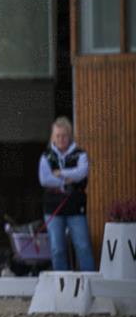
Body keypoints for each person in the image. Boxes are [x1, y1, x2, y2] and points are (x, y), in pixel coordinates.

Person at [38, 116, 95, 271]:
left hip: (76, 207)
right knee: (57, 250)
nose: (61, 139)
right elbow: (45, 179)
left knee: (83, 247)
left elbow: (82, 173)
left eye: (64, 136)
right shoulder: (46, 157)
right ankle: (61, 287)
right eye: (57, 136)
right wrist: (66, 181)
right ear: (53, 137)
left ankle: (90, 284)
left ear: (70, 136)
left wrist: (60, 173)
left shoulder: (80, 154)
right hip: (53, 208)